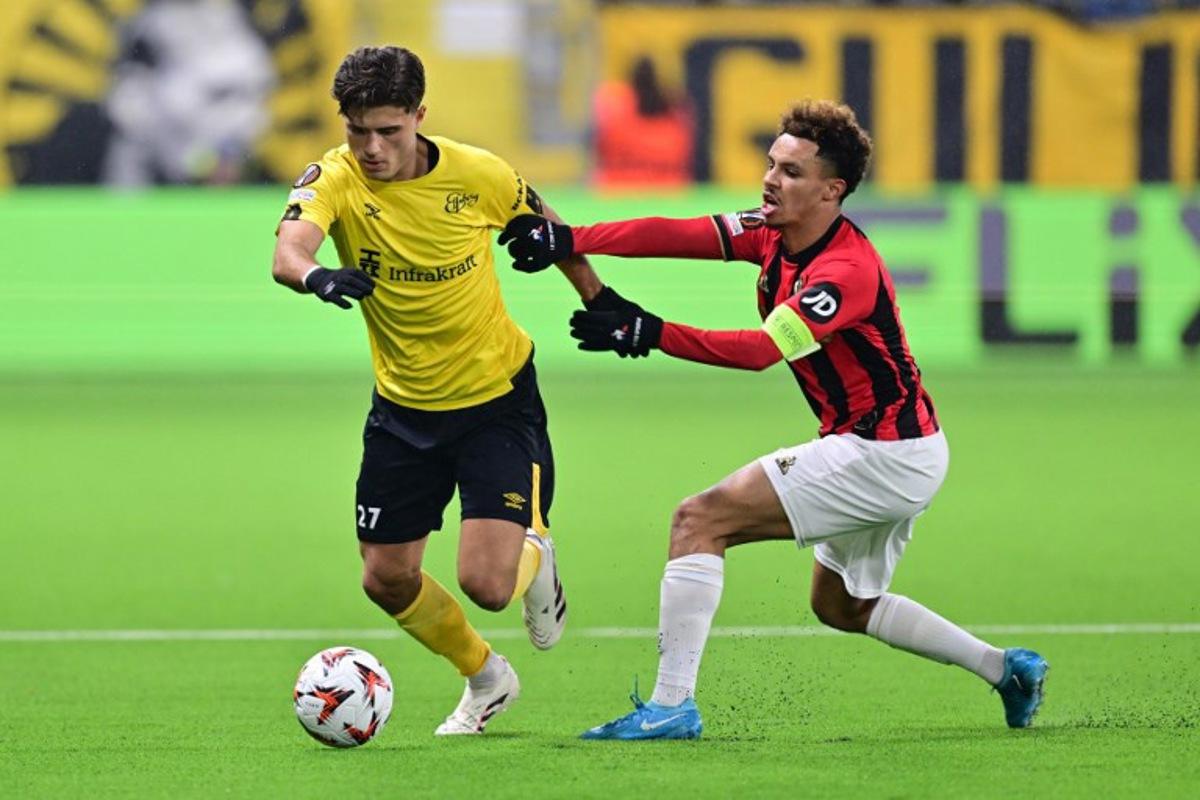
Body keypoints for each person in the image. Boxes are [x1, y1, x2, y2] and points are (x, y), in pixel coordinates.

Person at [500, 100, 1049, 740]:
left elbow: (762, 350)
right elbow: (677, 234)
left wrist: (650, 332)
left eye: (791, 172)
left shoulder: (843, 271)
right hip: (897, 448)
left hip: (883, 453)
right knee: (841, 606)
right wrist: (574, 239)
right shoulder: (772, 231)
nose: (770, 179)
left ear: (831, 190)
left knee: (698, 519)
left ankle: (672, 705)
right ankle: (1006, 670)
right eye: (771, 163)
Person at [271, 46, 634, 736]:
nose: (372, 148)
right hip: (402, 411)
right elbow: (289, 251)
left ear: (419, 117)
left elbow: (554, 232)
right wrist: (317, 277)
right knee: (385, 578)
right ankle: (488, 677)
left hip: (495, 402)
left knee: (489, 585)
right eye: (358, 131)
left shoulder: (480, 175)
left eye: (389, 131)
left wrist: (600, 297)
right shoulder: (335, 177)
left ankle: (538, 549)